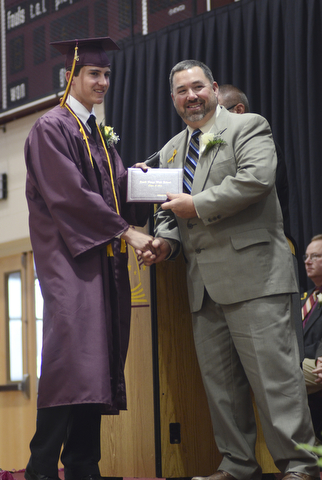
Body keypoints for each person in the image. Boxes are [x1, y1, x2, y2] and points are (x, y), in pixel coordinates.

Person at [138, 60, 319, 480]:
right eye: (182, 91)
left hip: (256, 279)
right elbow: (169, 215)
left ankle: (301, 466)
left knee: (278, 385)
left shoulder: (248, 126)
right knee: (222, 390)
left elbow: (257, 180)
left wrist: (196, 205)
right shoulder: (170, 150)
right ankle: (238, 464)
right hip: (203, 287)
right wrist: (164, 243)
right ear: (173, 100)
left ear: (214, 89)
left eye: (197, 87)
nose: (191, 96)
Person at [24, 37, 153, 480]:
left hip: (100, 260)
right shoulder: (51, 128)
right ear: (71, 77)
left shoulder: (97, 132)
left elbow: (115, 190)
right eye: (94, 74)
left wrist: (155, 190)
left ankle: (82, 466)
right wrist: (127, 232)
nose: (102, 82)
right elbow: (70, 197)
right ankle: (41, 466)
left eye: (106, 75)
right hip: (69, 260)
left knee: (96, 362)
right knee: (71, 359)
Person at [217, 84, 305, 362]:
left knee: (278, 362)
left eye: (217, 110)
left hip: (266, 261)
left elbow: (253, 187)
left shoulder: (255, 139)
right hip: (229, 267)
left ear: (238, 110)